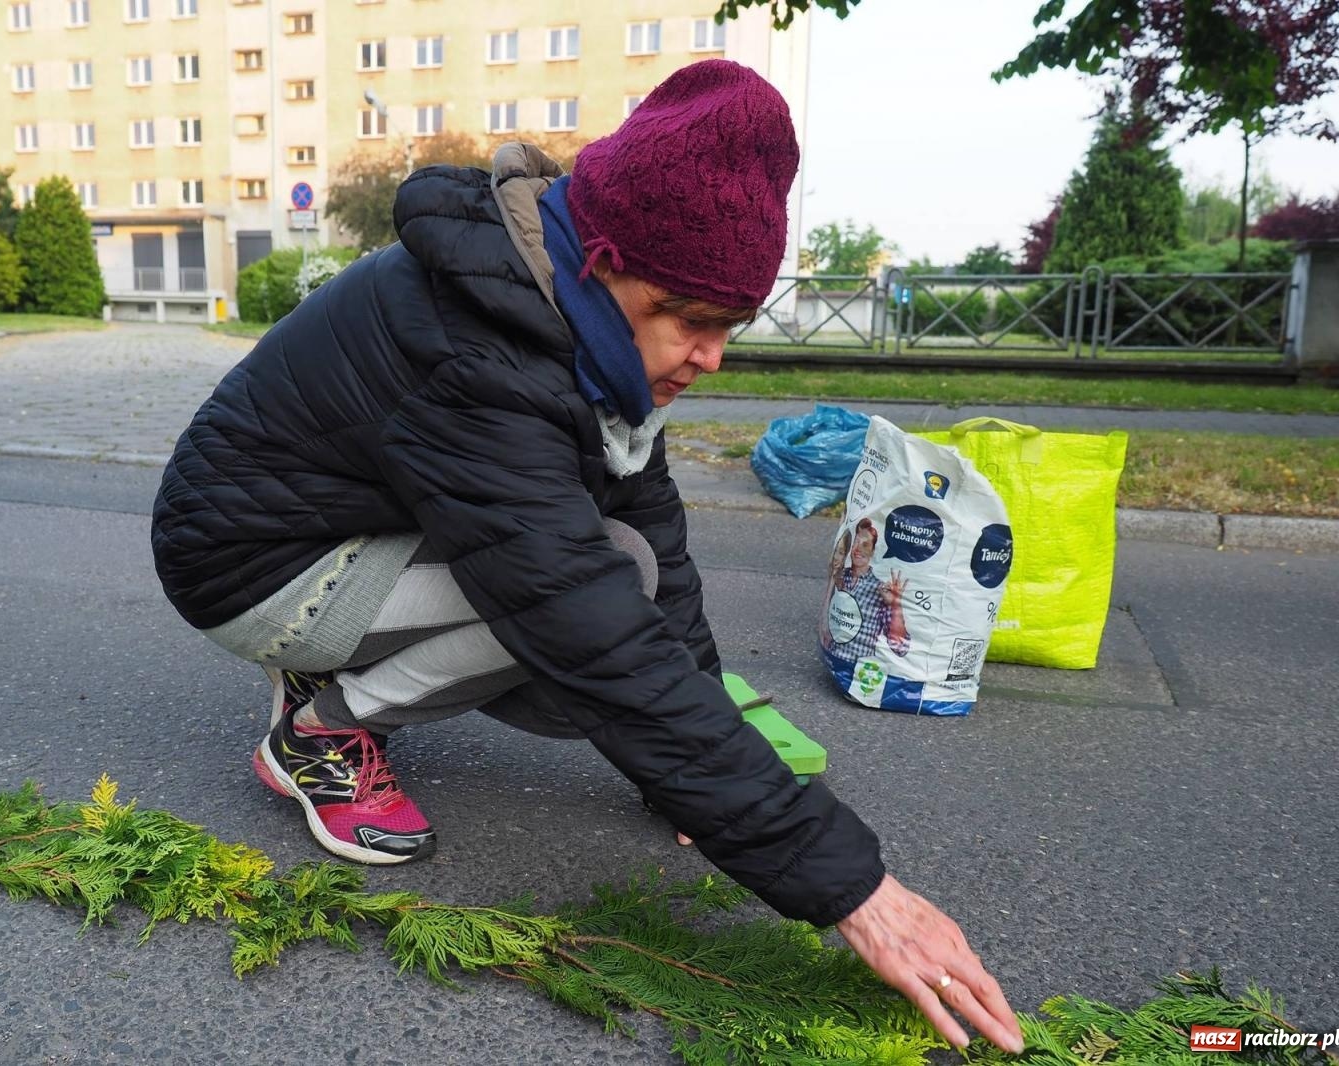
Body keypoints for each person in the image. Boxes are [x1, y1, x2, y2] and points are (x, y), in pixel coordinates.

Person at [151, 60, 1024, 1055]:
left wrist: (687, 776)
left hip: (342, 523)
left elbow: (658, 551)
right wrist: (854, 891)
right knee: (580, 608)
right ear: (605, 259)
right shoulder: (479, 357)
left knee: (623, 579)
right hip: (245, 566)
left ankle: (340, 663)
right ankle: (317, 729)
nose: (710, 355)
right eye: (689, 319)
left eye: (729, 326)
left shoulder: (573, 327)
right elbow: (591, 624)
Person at [825, 517, 912, 665]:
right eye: (855, 544)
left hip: (860, 670)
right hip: (833, 658)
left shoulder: (880, 589)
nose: (858, 549)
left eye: (865, 545)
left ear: (873, 551)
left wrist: (895, 605)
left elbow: (900, 647)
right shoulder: (840, 576)